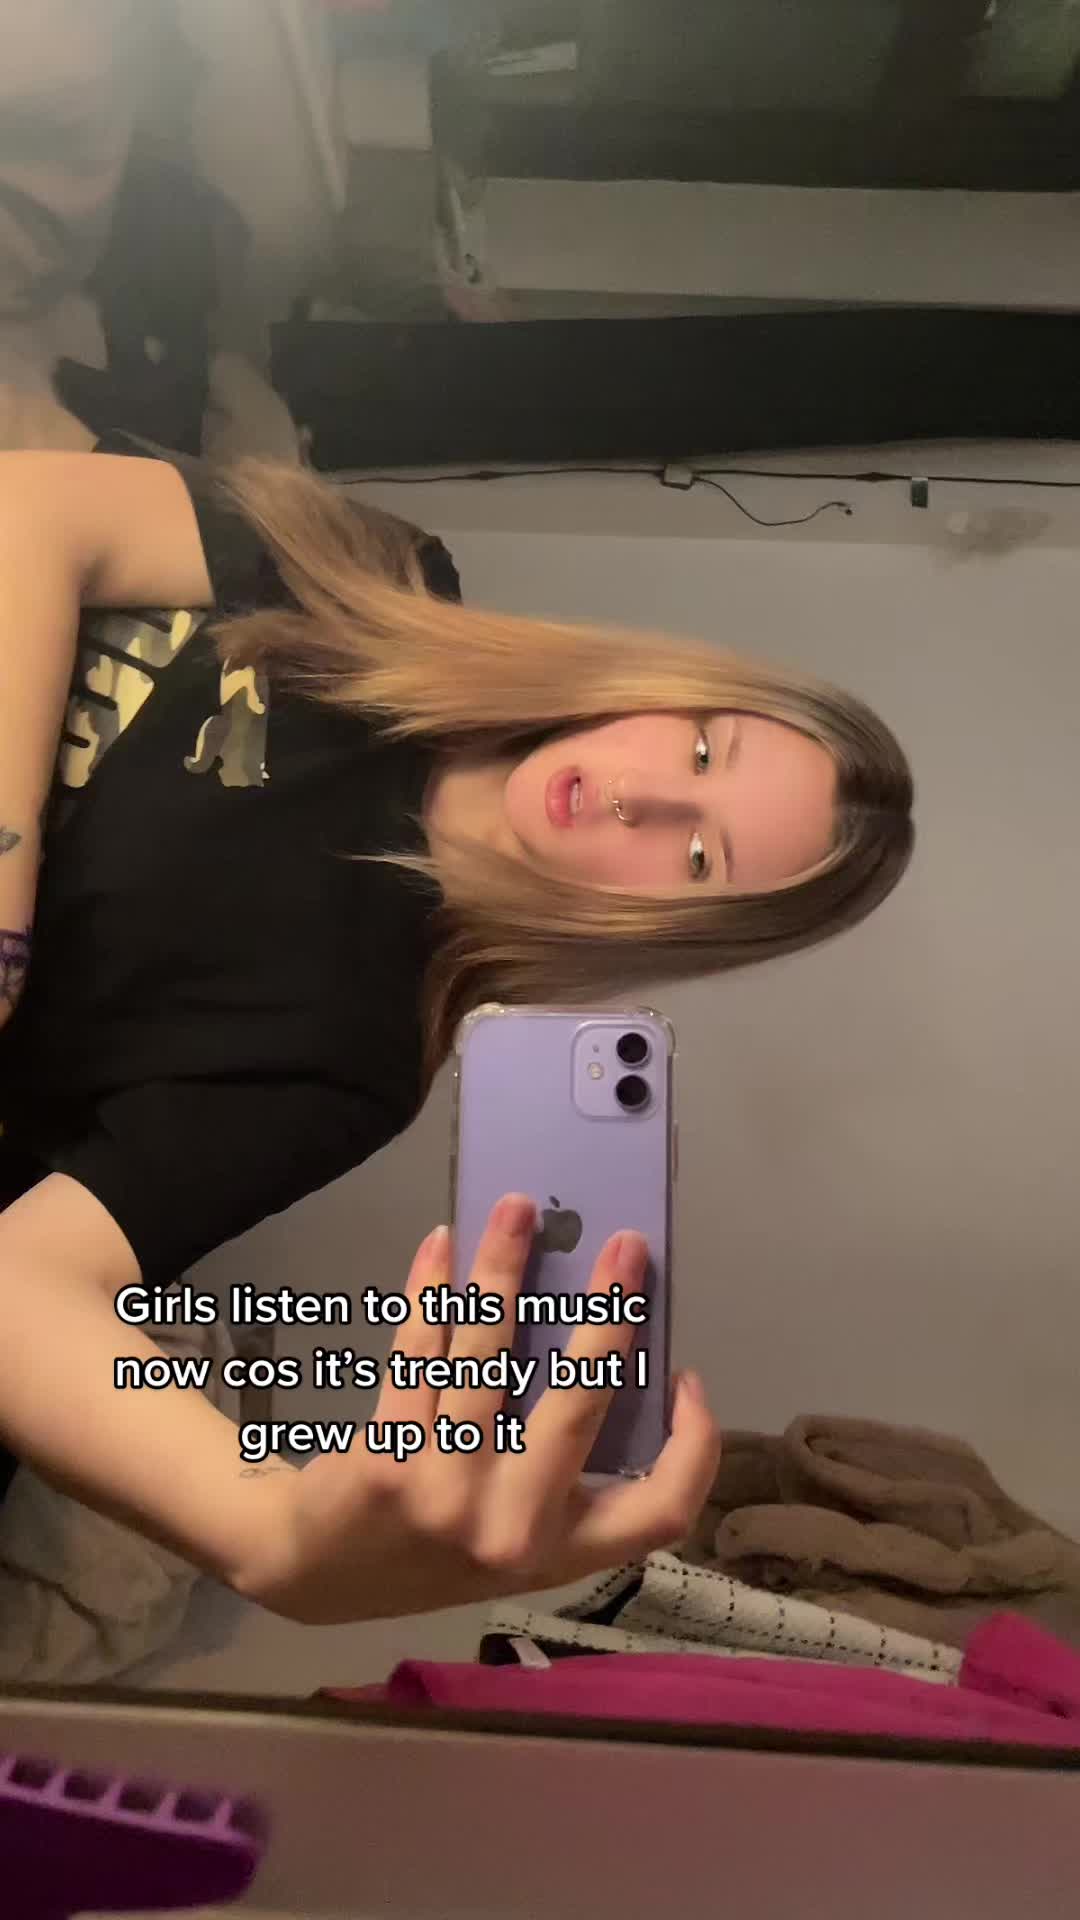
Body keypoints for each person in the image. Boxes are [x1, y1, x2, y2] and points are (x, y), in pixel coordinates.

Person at [0, 435, 914, 1626]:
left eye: (698, 854)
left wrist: (268, 1534)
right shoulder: (375, 575)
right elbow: (32, 506)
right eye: (699, 746)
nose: (639, 797)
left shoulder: (354, 1056)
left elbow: (21, 1284)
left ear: (672, 923)